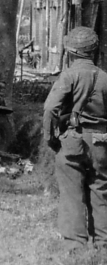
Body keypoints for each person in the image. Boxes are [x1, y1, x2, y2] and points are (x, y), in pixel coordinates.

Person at [43, 26, 107, 250]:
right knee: (101, 193)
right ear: (94, 52)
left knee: (72, 194)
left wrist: (51, 138)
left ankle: (76, 248)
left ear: (70, 52)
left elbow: (50, 108)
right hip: (100, 142)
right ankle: (103, 247)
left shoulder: (69, 75)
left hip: (72, 140)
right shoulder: (106, 79)